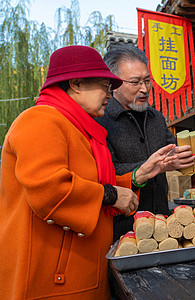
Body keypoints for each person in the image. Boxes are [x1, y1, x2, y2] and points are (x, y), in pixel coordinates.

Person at [0, 45, 176, 299]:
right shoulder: (40, 120)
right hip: (51, 280)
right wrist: (113, 195)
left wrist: (139, 175)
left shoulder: (79, 128)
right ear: (76, 84)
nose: (109, 93)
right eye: (104, 85)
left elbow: (90, 181)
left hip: (79, 274)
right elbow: (51, 189)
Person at [98, 44, 195, 242]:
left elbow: (171, 152)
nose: (144, 89)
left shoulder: (155, 117)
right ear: (113, 83)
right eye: (135, 82)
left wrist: (187, 158)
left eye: (147, 81)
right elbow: (104, 172)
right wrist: (149, 167)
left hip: (162, 222)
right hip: (121, 227)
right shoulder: (101, 120)